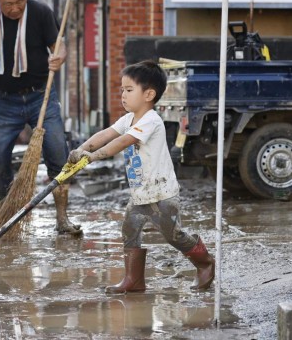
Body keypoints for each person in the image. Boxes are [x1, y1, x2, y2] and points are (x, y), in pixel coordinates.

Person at [68, 60, 215, 292]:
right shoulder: (128, 119)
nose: (123, 96)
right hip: (140, 192)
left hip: (162, 193)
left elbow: (122, 141)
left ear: (149, 94)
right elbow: (107, 134)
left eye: (129, 90)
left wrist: (93, 157)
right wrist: (81, 149)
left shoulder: (151, 120)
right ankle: (133, 280)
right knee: (129, 229)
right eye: (122, 91)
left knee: (173, 235)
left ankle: (205, 262)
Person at [0, 0, 81, 235]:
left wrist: (59, 57)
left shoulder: (40, 13)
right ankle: (2, 221)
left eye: (20, 1)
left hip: (41, 96)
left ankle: (62, 219)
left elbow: (58, 45)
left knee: (58, 156)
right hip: (4, 101)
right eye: (9, 3)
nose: (16, 7)